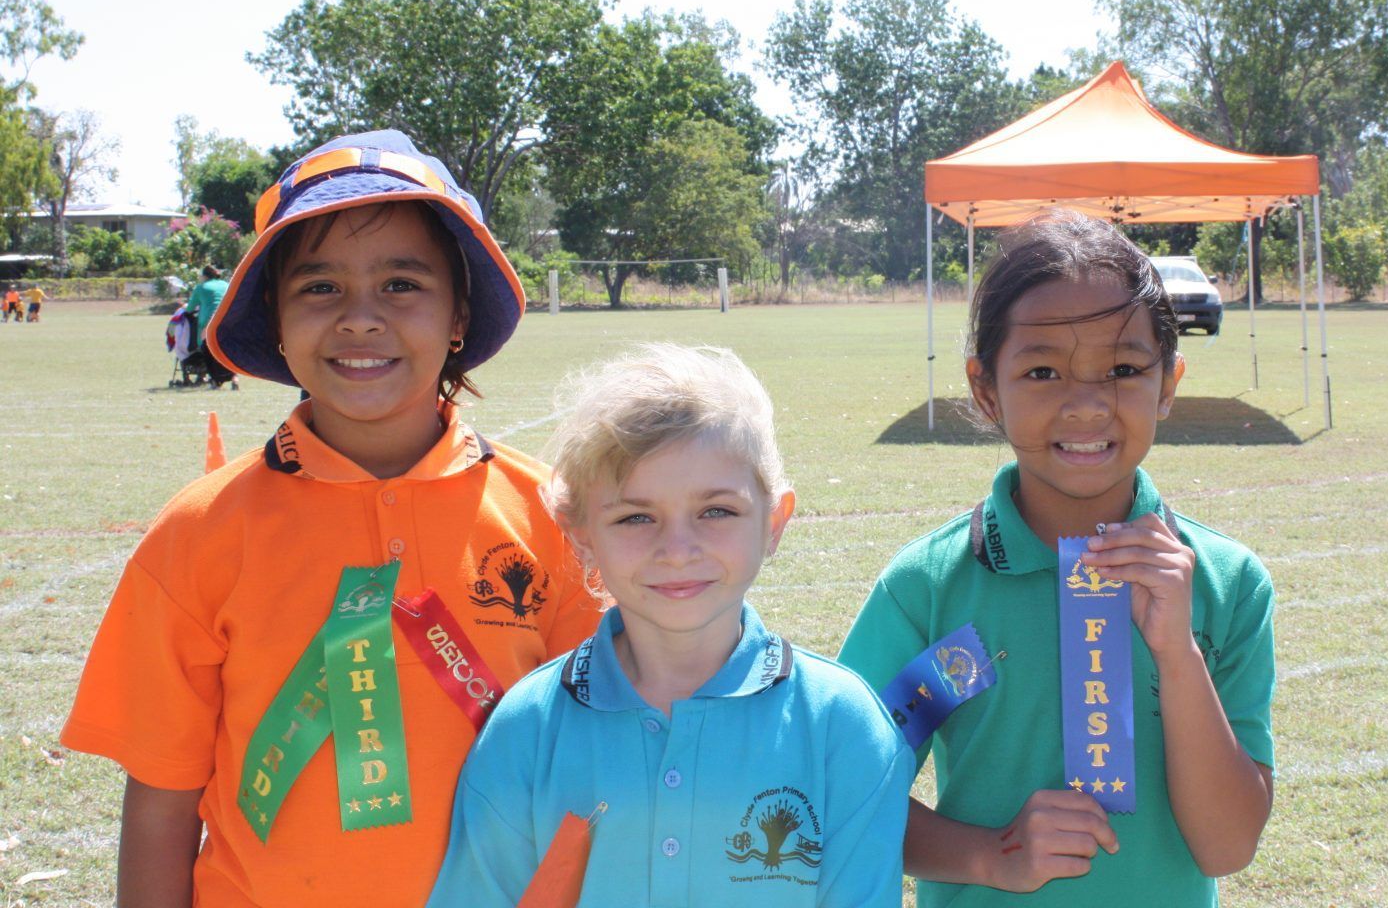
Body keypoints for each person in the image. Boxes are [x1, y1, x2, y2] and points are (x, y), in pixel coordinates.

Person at [60, 130, 600, 908]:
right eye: (319, 288)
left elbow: (599, 762)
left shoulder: (551, 517)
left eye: (402, 284)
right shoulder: (198, 534)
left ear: (458, 317)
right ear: (276, 321)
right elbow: (161, 802)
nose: (359, 319)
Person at [839, 210, 1275, 907]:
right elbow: (844, 797)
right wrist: (991, 856)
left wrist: (1177, 652)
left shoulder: (1229, 584)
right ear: (987, 389)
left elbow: (1227, 847)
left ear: (1168, 382)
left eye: (1125, 369)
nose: (1086, 405)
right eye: (1042, 371)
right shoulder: (927, 589)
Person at [427, 344, 914, 907]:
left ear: (774, 522)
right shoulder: (528, 729)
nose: (677, 550)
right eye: (636, 517)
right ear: (581, 536)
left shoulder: (842, 725)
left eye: (716, 512)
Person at [185, 264, 237, 389]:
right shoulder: (225, 285)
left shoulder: (201, 287)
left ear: (204, 276)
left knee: (208, 350)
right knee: (228, 351)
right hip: (228, 320)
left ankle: (215, 381)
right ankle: (235, 378)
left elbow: (190, 309)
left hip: (208, 322)